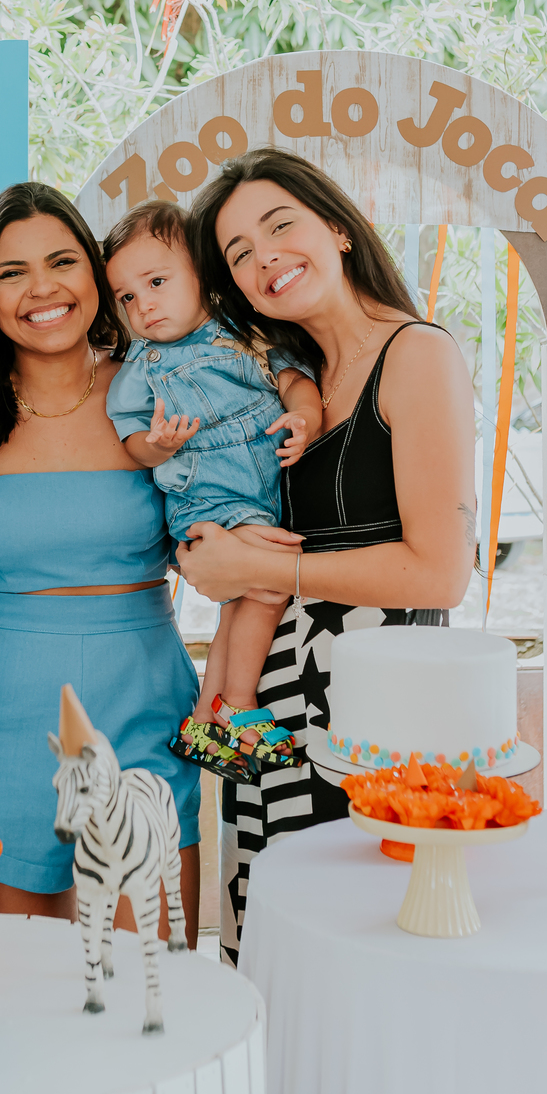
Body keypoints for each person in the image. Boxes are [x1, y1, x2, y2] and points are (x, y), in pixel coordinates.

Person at [177, 148, 475, 962]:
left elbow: (440, 572)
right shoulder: (288, 382)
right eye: (238, 254)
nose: (263, 257)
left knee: (358, 956)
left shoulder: (416, 353)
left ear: (338, 229)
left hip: (373, 723)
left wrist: (261, 571)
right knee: (266, 956)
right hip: (264, 720)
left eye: (279, 227)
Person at [0, 182, 202, 943]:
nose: (42, 288)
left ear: (95, 274)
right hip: (3, 713)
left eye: (62, 262)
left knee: (152, 974)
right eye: (11, 272)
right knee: (42, 984)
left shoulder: (160, 387)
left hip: (143, 695)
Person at [102, 199, 320, 780]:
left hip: (263, 493)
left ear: (202, 274)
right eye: (126, 296)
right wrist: (159, 446)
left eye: (156, 282)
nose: (143, 304)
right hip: (210, 500)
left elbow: (295, 378)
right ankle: (242, 706)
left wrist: (306, 417)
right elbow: (129, 439)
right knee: (269, 588)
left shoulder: (243, 333)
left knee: (240, 604)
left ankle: (204, 717)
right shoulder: (142, 368)